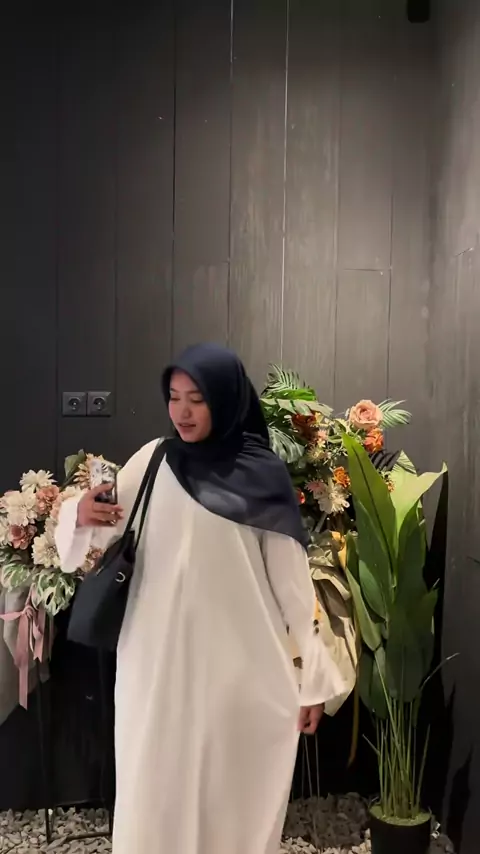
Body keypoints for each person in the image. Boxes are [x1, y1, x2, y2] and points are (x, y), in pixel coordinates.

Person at [55, 343, 345, 854]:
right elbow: (100, 534)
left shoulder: (263, 477)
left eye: (197, 399)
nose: (182, 412)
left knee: (230, 798)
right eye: (174, 397)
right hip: (155, 669)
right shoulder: (152, 460)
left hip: (238, 675)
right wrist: (79, 514)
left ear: (227, 400)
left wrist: (312, 682)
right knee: (154, 790)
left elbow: (294, 590)